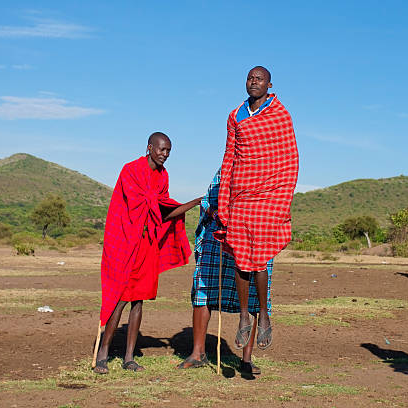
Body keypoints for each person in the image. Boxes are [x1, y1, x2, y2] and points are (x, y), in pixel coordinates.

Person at [94, 132, 201, 374]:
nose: (165, 154)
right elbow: (138, 207)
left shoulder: (163, 177)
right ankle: (103, 353)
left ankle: (129, 357)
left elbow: (163, 213)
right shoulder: (131, 170)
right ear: (150, 147)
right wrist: (165, 205)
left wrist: (195, 202)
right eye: (162, 149)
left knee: (138, 300)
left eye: (168, 151)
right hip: (126, 241)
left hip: (147, 245)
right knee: (120, 297)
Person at [214, 66, 298, 351]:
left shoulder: (280, 115)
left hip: (269, 196)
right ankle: (243, 317)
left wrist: (282, 199)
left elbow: (289, 159)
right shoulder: (235, 116)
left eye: (258, 79)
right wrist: (223, 197)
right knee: (240, 256)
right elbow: (230, 156)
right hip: (240, 193)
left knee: (259, 259)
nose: (253, 82)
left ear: (269, 84)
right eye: (250, 78)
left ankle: (264, 314)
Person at [178, 168, 273, 375]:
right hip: (220, 231)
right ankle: (198, 353)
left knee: (255, 294)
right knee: (204, 288)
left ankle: (246, 360)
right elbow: (209, 201)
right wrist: (217, 214)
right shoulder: (227, 169)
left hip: (255, 233)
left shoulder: (267, 169)